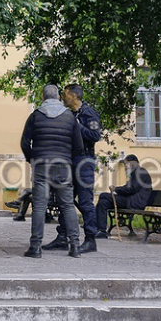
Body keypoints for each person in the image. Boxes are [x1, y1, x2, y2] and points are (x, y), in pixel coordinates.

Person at [20, 84, 84, 258]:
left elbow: (25, 143)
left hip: (41, 165)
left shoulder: (35, 116)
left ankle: (35, 247)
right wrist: (67, 159)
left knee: (39, 206)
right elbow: (79, 146)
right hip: (63, 165)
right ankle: (75, 247)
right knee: (68, 205)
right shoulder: (70, 117)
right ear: (57, 97)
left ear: (43, 97)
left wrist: (32, 159)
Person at [42, 84, 101, 253]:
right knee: (65, 200)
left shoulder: (88, 113)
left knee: (85, 202)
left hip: (84, 162)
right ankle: (62, 237)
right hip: (70, 161)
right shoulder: (70, 114)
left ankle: (90, 240)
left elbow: (95, 135)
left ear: (74, 95)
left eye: (65, 94)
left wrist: (77, 126)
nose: (62, 97)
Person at [94, 154, 152, 237]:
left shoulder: (140, 172)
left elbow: (131, 189)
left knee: (103, 195)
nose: (125, 166)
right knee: (103, 202)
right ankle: (101, 231)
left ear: (133, 163)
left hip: (134, 202)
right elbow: (128, 188)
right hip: (130, 200)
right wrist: (117, 189)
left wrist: (116, 189)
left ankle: (94, 225)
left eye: (126, 164)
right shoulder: (135, 173)